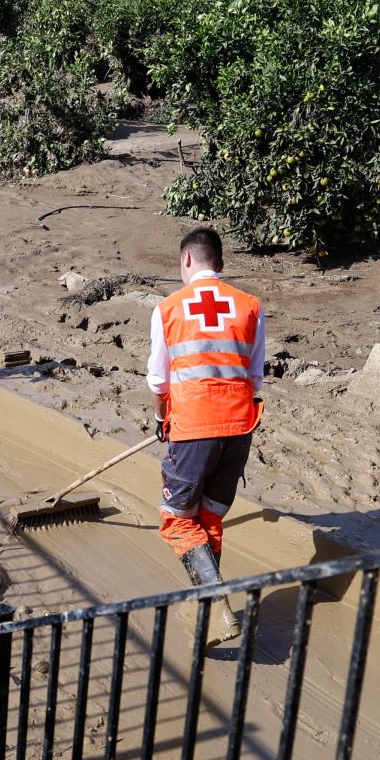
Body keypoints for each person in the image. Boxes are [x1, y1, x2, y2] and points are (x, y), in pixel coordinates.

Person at [147, 226, 264, 642]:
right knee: (209, 516)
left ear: (185, 260)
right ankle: (207, 610)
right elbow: (256, 376)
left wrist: (163, 419)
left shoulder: (168, 309)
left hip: (195, 427)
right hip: (240, 426)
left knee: (176, 520)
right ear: (221, 264)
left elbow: (158, 382)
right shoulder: (250, 306)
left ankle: (216, 608)